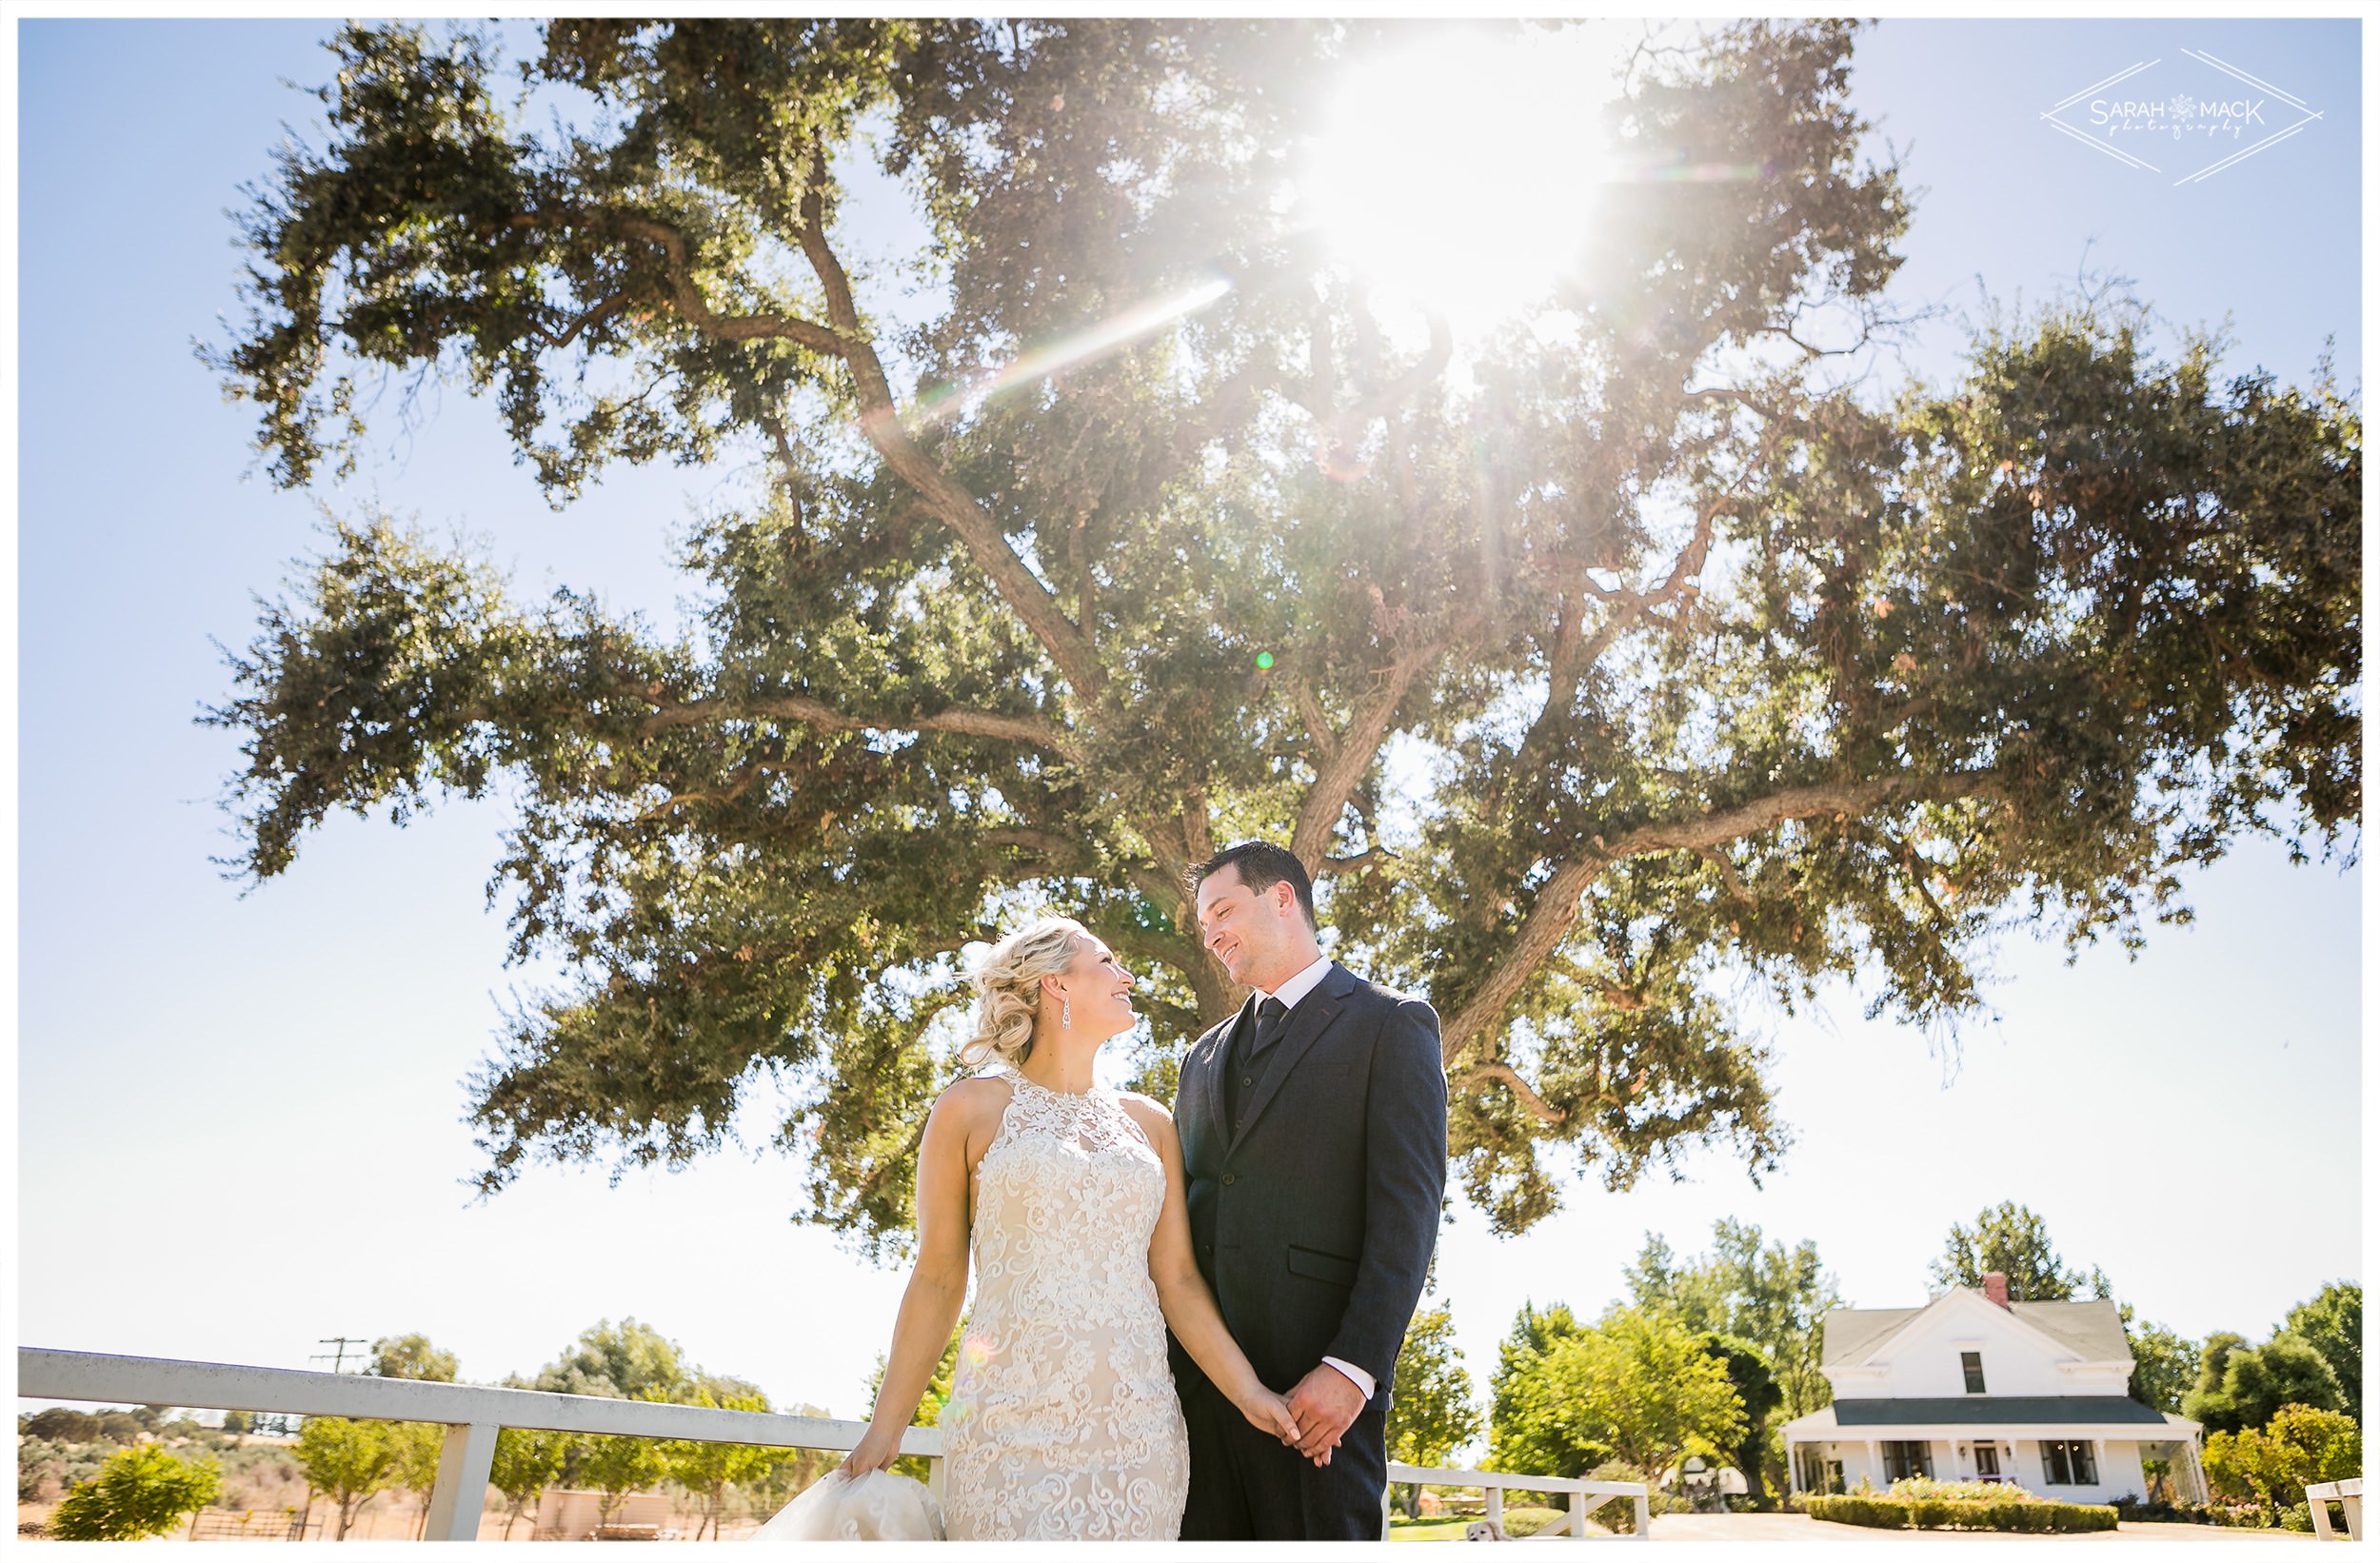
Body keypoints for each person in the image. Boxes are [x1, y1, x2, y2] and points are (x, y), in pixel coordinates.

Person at [831, 916, 1302, 1541]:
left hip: (1138, 1435)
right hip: (1007, 1428)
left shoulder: (1152, 1125)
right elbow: (939, 1277)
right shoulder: (969, 1109)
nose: (1127, 975)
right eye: (1107, 962)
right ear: (1054, 984)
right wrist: (887, 1427)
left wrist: (1250, 1394)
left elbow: (1180, 1283)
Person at [1174, 841, 1449, 1540]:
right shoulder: (1199, 1059)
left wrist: (1353, 1368)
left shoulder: (1391, 1024)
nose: (1211, 934)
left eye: (1223, 910)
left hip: (1317, 1403)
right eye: (1203, 924)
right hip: (1200, 1407)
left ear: (1284, 899)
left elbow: (1407, 1214)